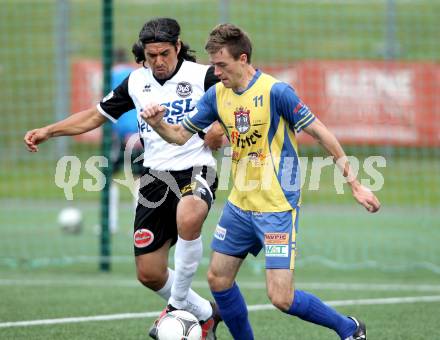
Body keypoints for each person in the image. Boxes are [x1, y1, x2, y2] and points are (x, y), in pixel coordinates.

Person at [141, 23, 381, 340]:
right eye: (214, 64)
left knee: (281, 298)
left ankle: (348, 328)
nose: (217, 71)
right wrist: (158, 124)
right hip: (240, 205)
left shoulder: (276, 92)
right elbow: (178, 136)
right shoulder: (216, 95)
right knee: (218, 279)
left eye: (222, 64)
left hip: (276, 208)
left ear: (243, 59)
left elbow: (321, 133)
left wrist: (355, 183)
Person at [24, 17, 225, 340]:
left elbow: (230, 110)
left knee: (190, 214)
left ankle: (174, 309)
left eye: (164, 54)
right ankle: (206, 314)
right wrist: (50, 130)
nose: (158, 61)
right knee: (149, 273)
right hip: (154, 177)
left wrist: (219, 129)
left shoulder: (203, 76)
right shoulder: (135, 82)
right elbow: (94, 115)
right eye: (151, 56)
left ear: (177, 47)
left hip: (196, 168)